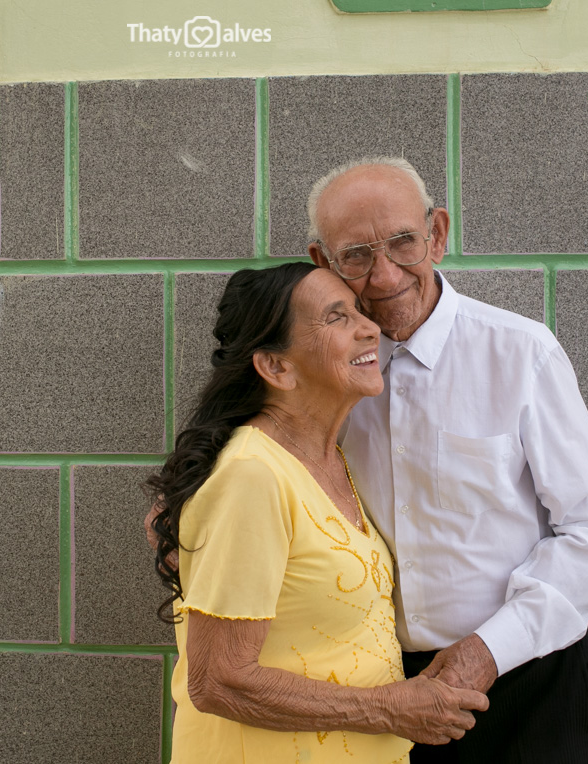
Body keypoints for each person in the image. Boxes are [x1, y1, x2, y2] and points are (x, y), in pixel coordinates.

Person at [305, 157, 588, 763]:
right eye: (355, 255)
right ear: (322, 264)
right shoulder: (315, 374)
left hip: (529, 682)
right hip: (382, 695)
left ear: (436, 234)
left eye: (402, 242)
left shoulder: (521, 353)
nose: (382, 276)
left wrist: (487, 650)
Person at [146, 262, 489, 764]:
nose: (369, 326)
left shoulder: (329, 458)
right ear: (277, 367)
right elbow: (216, 680)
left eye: (357, 311)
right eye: (336, 318)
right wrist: (388, 710)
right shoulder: (253, 474)